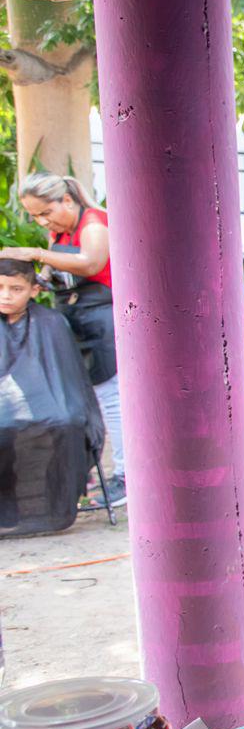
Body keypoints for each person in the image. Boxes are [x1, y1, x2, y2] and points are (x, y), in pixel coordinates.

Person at [2, 172, 124, 507]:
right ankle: (82, 471)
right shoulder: (60, 230)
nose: (42, 221)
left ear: (66, 200)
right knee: (80, 396)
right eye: (35, 216)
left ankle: (125, 477)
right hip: (74, 314)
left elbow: (91, 262)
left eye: (45, 212)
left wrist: (35, 253)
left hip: (103, 316)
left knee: (110, 397)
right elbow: (56, 268)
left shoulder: (94, 223)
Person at [0, 257, 105, 533]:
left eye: (15, 289)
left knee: (67, 422)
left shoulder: (51, 322)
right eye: (0, 288)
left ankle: (56, 507)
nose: (6, 296)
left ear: (34, 290)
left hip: (47, 403)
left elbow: (67, 382)